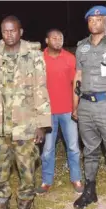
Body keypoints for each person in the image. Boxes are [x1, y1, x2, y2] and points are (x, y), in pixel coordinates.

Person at [0, 15, 51, 209]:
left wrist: (42, 124)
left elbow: (41, 89)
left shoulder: (33, 55)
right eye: (5, 31)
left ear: (21, 31)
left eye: (13, 30)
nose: (9, 34)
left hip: (25, 126)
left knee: (27, 172)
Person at [72, 5, 106, 209]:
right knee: (90, 150)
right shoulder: (81, 46)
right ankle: (90, 191)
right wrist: (75, 106)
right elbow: (78, 77)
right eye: (91, 20)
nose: (95, 22)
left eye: (99, 19)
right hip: (85, 105)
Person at [36, 29, 83, 194]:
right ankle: (46, 181)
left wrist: (76, 108)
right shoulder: (39, 59)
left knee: (73, 147)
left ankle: (76, 178)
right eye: (54, 38)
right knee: (48, 149)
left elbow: (76, 86)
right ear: (46, 40)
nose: (58, 40)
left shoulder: (70, 59)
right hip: (47, 113)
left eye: (61, 38)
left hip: (68, 112)